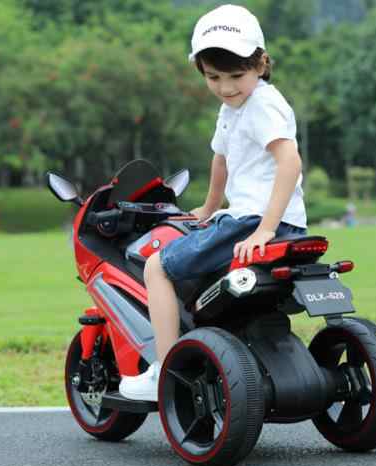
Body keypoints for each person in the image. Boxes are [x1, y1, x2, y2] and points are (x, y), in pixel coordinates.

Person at [119, 4, 308, 402]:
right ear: (201, 71)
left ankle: (164, 369)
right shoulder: (233, 107)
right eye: (213, 77)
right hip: (267, 221)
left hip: (254, 221)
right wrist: (208, 208)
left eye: (236, 76)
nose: (225, 87)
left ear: (261, 63)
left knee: (157, 267)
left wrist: (265, 228)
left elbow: (290, 162)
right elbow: (221, 159)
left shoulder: (263, 105)